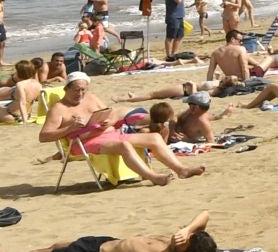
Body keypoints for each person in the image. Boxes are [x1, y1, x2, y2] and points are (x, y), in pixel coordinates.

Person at [39, 73, 208, 185]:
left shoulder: (90, 98)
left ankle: (181, 170)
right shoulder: (58, 109)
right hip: (82, 143)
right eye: (76, 90)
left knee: (155, 138)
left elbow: (109, 112)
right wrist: (70, 127)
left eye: (83, 89)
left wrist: (108, 121)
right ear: (66, 89)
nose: (81, 93)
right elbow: (44, 136)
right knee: (124, 145)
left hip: (109, 133)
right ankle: (153, 177)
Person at [0, 211, 218, 252]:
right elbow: (205, 215)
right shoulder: (176, 241)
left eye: (185, 241)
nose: (179, 237)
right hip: (101, 242)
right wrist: (187, 230)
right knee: (50, 247)